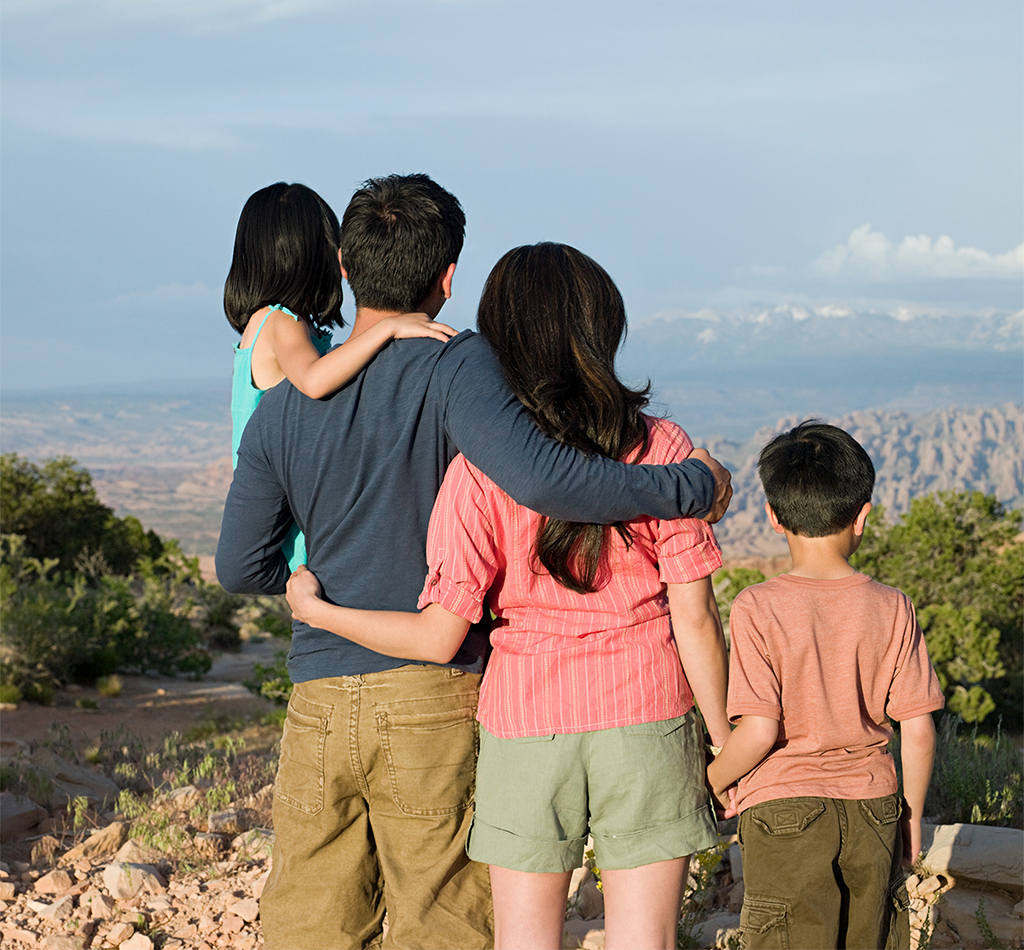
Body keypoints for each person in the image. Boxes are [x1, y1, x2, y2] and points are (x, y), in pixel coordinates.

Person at [216, 175, 734, 950]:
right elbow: (542, 476)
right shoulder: (458, 367)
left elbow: (237, 565)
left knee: (309, 923)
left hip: (319, 693)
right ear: (448, 275)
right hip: (434, 688)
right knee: (445, 920)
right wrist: (688, 483)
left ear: (346, 266)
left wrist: (305, 586)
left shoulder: (285, 403)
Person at [706, 421, 944, 950]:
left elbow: (760, 729)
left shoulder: (757, 606)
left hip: (782, 810)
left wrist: (711, 781)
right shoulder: (893, 606)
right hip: (874, 806)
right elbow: (919, 727)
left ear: (773, 517)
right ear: (862, 518)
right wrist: (912, 814)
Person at [223, 181, 455, 567]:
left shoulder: (271, 323)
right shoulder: (279, 321)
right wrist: (388, 328)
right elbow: (315, 381)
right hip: (288, 509)